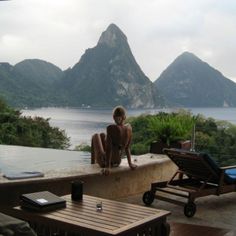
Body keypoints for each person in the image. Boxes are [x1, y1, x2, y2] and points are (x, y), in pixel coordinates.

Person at [91, 106, 137, 174]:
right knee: (102, 135)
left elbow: (109, 148)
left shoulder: (111, 128)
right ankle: (96, 163)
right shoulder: (129, 128)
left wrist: (107, 167)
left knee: (95, 136)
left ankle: (92, 163)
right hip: (117, 162)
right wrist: (130, 163)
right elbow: (127, 148)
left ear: (113, 117)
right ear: (124, 117)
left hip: (105, 161)